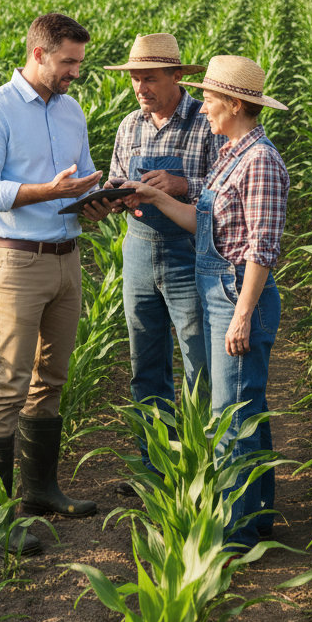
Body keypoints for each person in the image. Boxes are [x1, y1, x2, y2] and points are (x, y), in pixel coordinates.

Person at [122, 55, 289, 550]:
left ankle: (233, 535)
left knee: (231, 414)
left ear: (235, 105)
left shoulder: (260, 161)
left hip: (237, 290)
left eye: (211, 100)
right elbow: (203, 220)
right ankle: (257, 519)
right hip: (220, 286)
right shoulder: (233, 152)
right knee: (244, 407)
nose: (205, 109)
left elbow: (261, 248)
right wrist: (150, 197)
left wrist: (241, 315)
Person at [0, 12, 109, 555]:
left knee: (52, 377)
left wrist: (95, 201)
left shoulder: (72, 112)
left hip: (66, 259)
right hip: (17, 262)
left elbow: (80, 177)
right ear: (39, 53)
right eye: (69, 62)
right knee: (8, 381)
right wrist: (46, 192)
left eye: (79, 63)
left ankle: (41, 490)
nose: (76, 72)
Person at [102, 34, 221, 492]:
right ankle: (153, 468)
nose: (140, 88)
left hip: (188, 251)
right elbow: (117, 175)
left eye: (149, 78)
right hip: (137, 248)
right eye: (135, 79)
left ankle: (200, 465)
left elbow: (226, 193)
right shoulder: (129, 125)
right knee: (145, 360)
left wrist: (181, 183)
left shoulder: (206, 122)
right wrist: (110, 199)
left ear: (176, 77)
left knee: (198, 362)